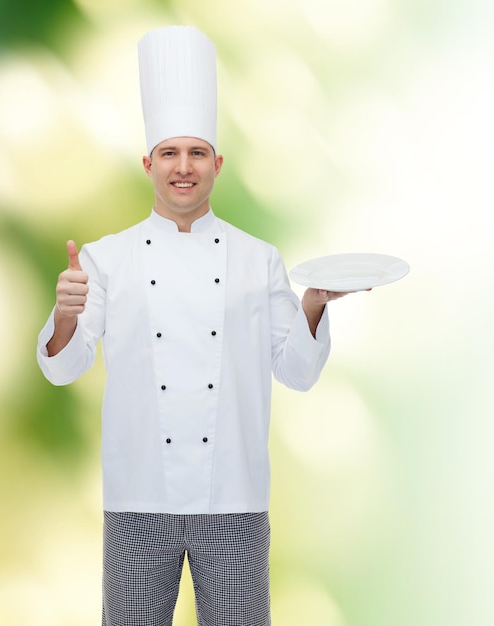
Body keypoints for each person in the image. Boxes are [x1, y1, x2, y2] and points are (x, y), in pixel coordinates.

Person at [37, 26, 350, 626]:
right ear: (149, 161)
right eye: (171, 154)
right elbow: (64, 365)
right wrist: (66, 315)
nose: (184, 168)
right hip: (137, 499)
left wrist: (312, 304)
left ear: (218, 163)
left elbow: (296, 372)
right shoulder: (106, 258)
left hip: (233, 497)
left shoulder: (258, 258)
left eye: (197, 153)